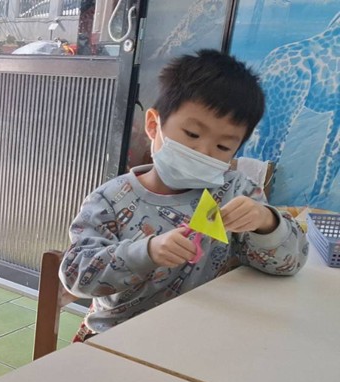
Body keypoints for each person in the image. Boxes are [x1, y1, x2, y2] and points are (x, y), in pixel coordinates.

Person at [60, 50, 308, 339]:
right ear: (154, 126)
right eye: (192, 134)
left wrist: (266, 222)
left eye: (223, 147)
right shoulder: (110, 201)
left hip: (204, 335)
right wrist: (147, 252)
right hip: (117, 337)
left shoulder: (235, 192)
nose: (204, 152)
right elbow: (76, 275)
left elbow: (291, 263)